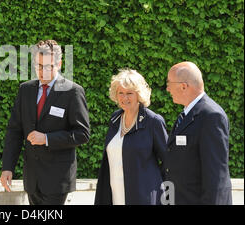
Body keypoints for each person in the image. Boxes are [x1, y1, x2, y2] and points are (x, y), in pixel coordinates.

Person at [0, 40, 90, 205]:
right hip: (32, 179)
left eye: (48, 66)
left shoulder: (72, 91)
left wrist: (47, 139)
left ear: (59, 64)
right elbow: (15, 131)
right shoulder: (25, 90)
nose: (43, 72)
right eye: (39, 66)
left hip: (58, 179)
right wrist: (7, 167)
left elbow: (82, 134)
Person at [95, 69, 168, 205]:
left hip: (143, 196)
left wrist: (153, 184)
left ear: (139, 95)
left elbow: (168, 161)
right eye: (120, 93)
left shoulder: (153, 121)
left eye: (129, 93)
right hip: (114, 194)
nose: (124, 98)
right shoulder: (115, 119)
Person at [164, 61, 232, 204]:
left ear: (183, 86)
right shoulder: (187, 114)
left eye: (169, 83)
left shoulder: (211, 116)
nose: (167, 88)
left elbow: (216, 176)